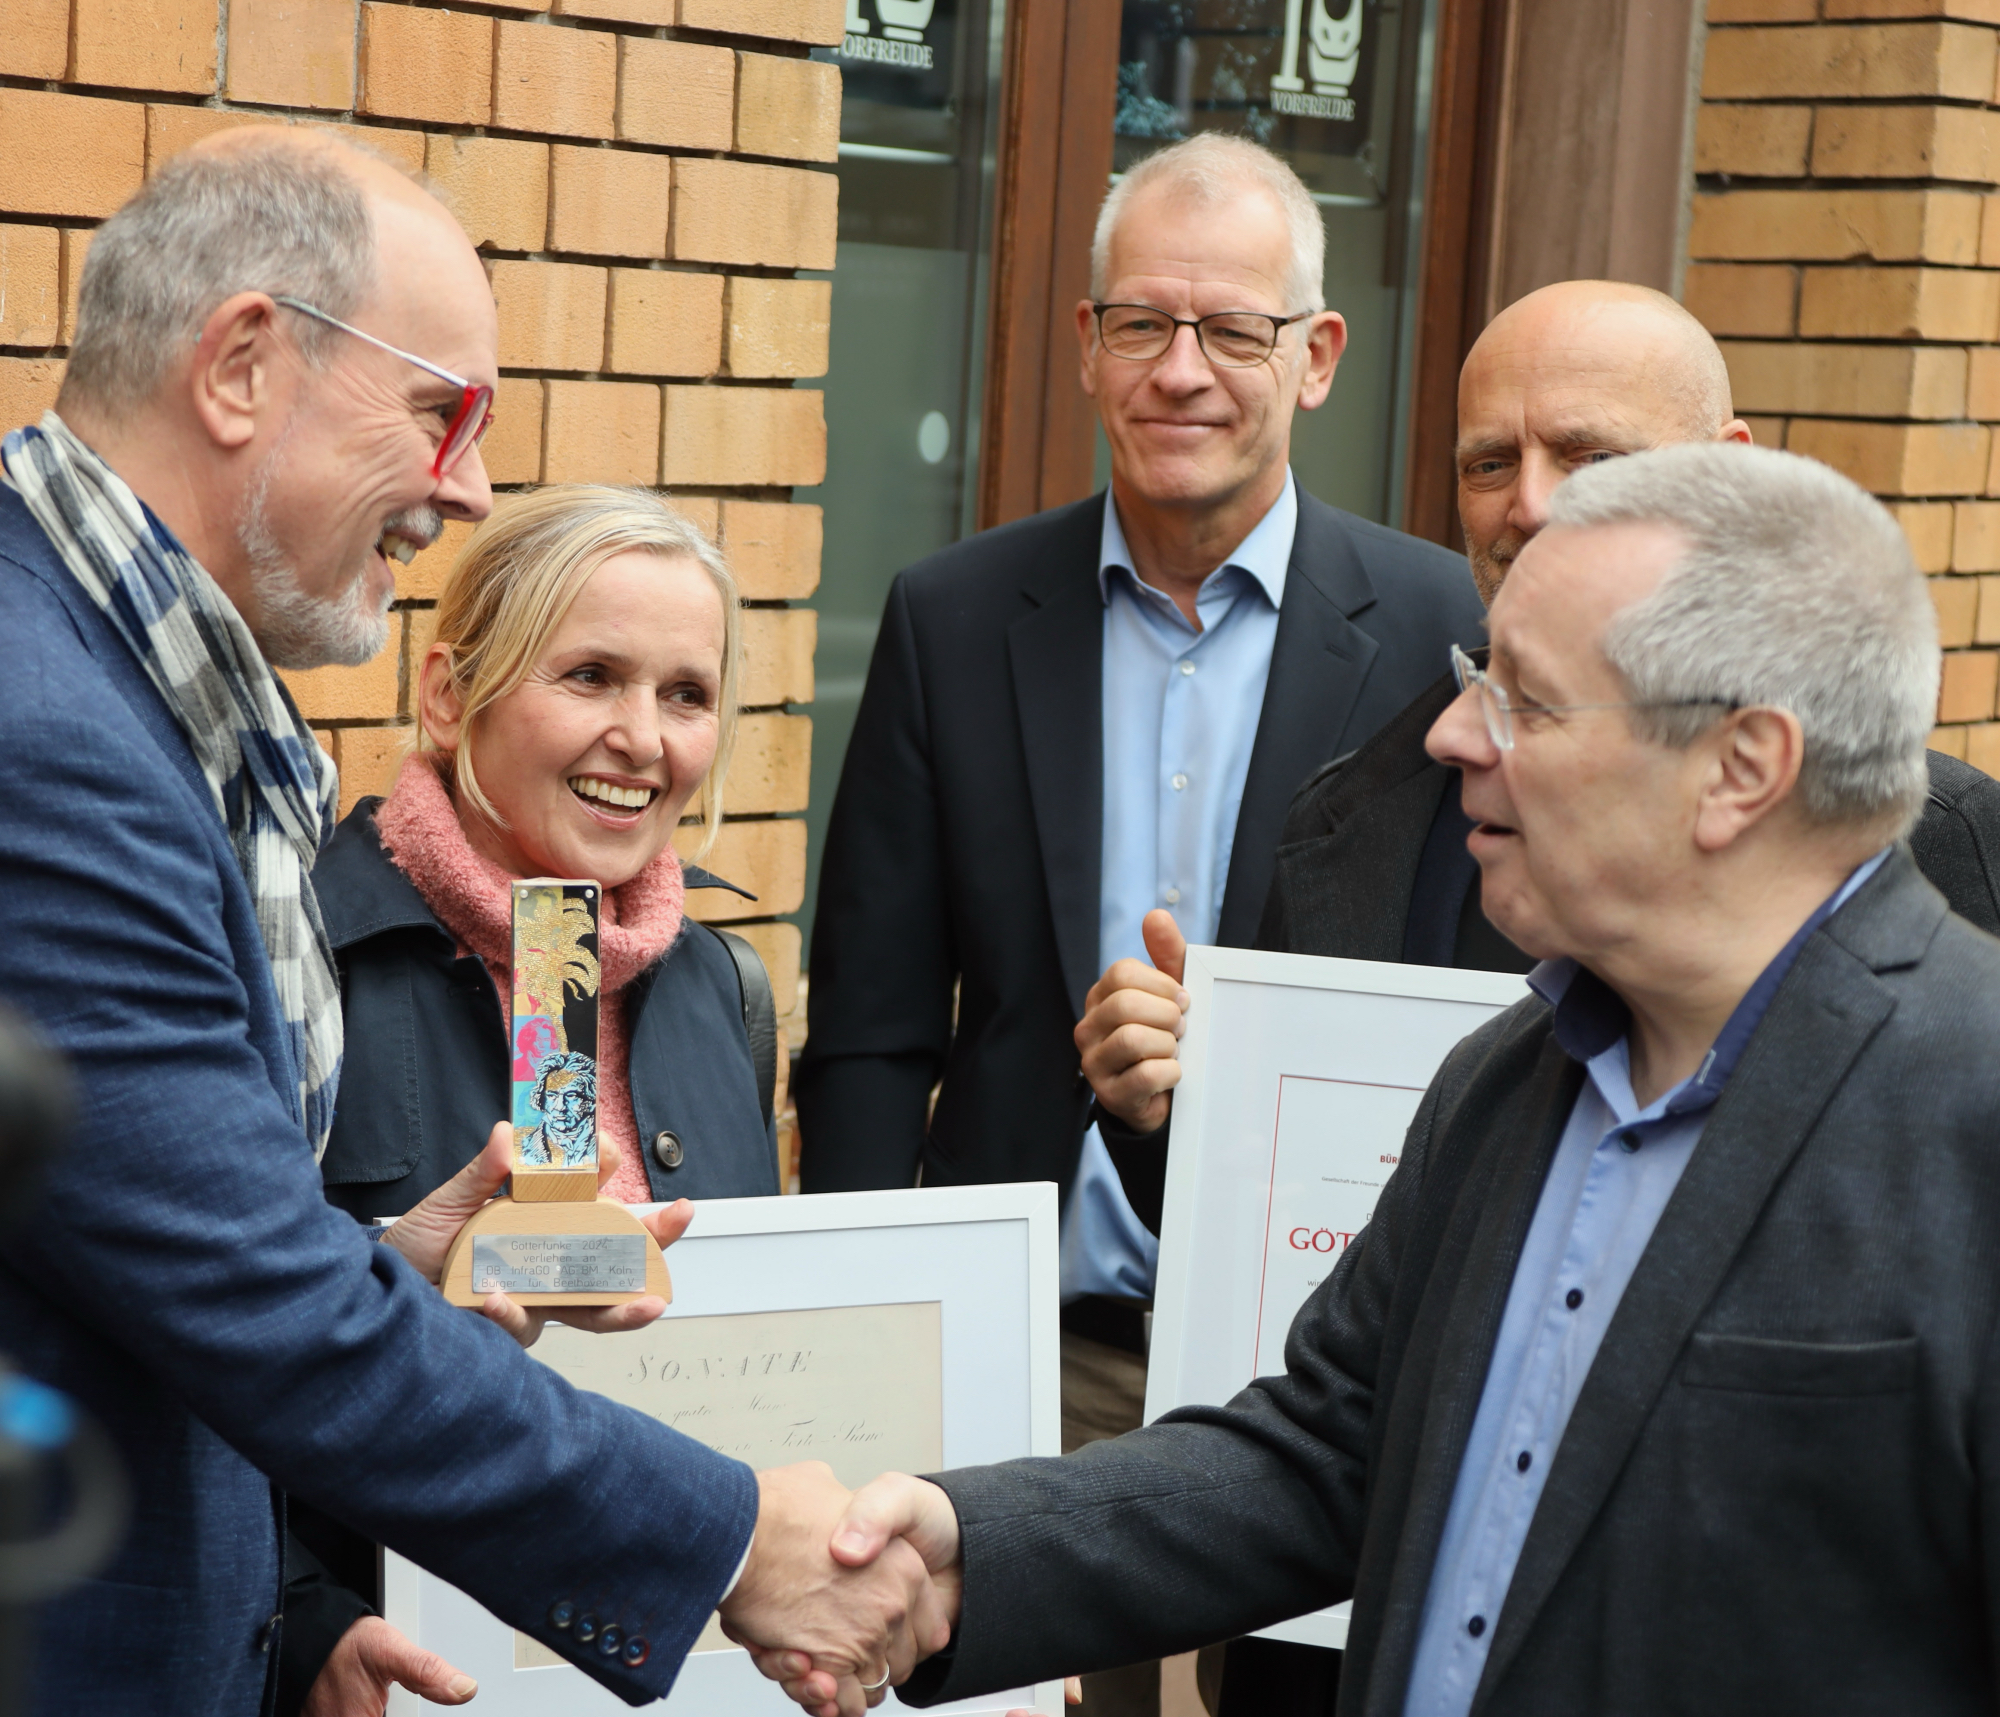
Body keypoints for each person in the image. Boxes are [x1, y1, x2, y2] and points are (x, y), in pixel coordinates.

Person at [772, 441, 2000, 1717]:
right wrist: (957, 1552)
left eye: (1521, 697)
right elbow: (1329, 1452)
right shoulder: (1507, 1081)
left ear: (1739, 766)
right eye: (1477, 676)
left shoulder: (1969, 1117)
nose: (1449, 732)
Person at [0, 127, 945, 1717]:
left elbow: (139, 1241)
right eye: (442, 411)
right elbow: (262, 1309)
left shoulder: (123, 707)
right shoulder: (50, 745)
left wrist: (389, 1261)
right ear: (242, 366)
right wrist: (735, 1546)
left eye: (691, 693)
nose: (473, 482)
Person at [797, 134, 1483, 1710]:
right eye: (1142, 325)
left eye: (1231, 330)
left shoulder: (1444, 630)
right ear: (1088, 345)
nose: (1183, 371)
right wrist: (861, 1343)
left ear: (1314, 358)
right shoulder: (954, 615)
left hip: (1316, 1342)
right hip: (1028, 1341)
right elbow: (875, 1025)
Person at [314, 484, 780, 1221]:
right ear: (450, 697)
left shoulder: (728, 985)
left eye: (687, 694)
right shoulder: (305, 954)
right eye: (592, 677)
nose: (644, 739)